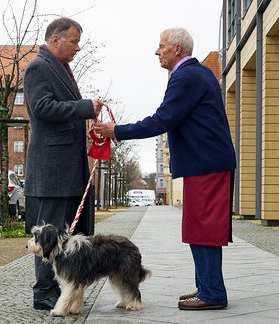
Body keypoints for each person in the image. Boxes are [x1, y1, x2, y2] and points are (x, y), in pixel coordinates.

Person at [94, 27, 236, 311]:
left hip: (205, 164)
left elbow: (162, 119)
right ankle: (207, 286)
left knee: (203, 230)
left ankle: (212, 293)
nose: (156, 51)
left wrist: (116, 130)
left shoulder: (186, 76)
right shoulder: (196, 74)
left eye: (161, 46)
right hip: (207, 162)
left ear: (178, 49)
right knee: (199, 229)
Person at [23, 17, 103, 311]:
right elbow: (41, 109)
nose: (78, 48)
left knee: (66, 234)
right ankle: (44, 292)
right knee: (49, 235)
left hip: (66, 169)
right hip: (52, 170)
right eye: (74, 41)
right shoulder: (38, 67)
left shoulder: (59, 67)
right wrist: (84, 108)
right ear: (55, 40)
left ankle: (65, 288)